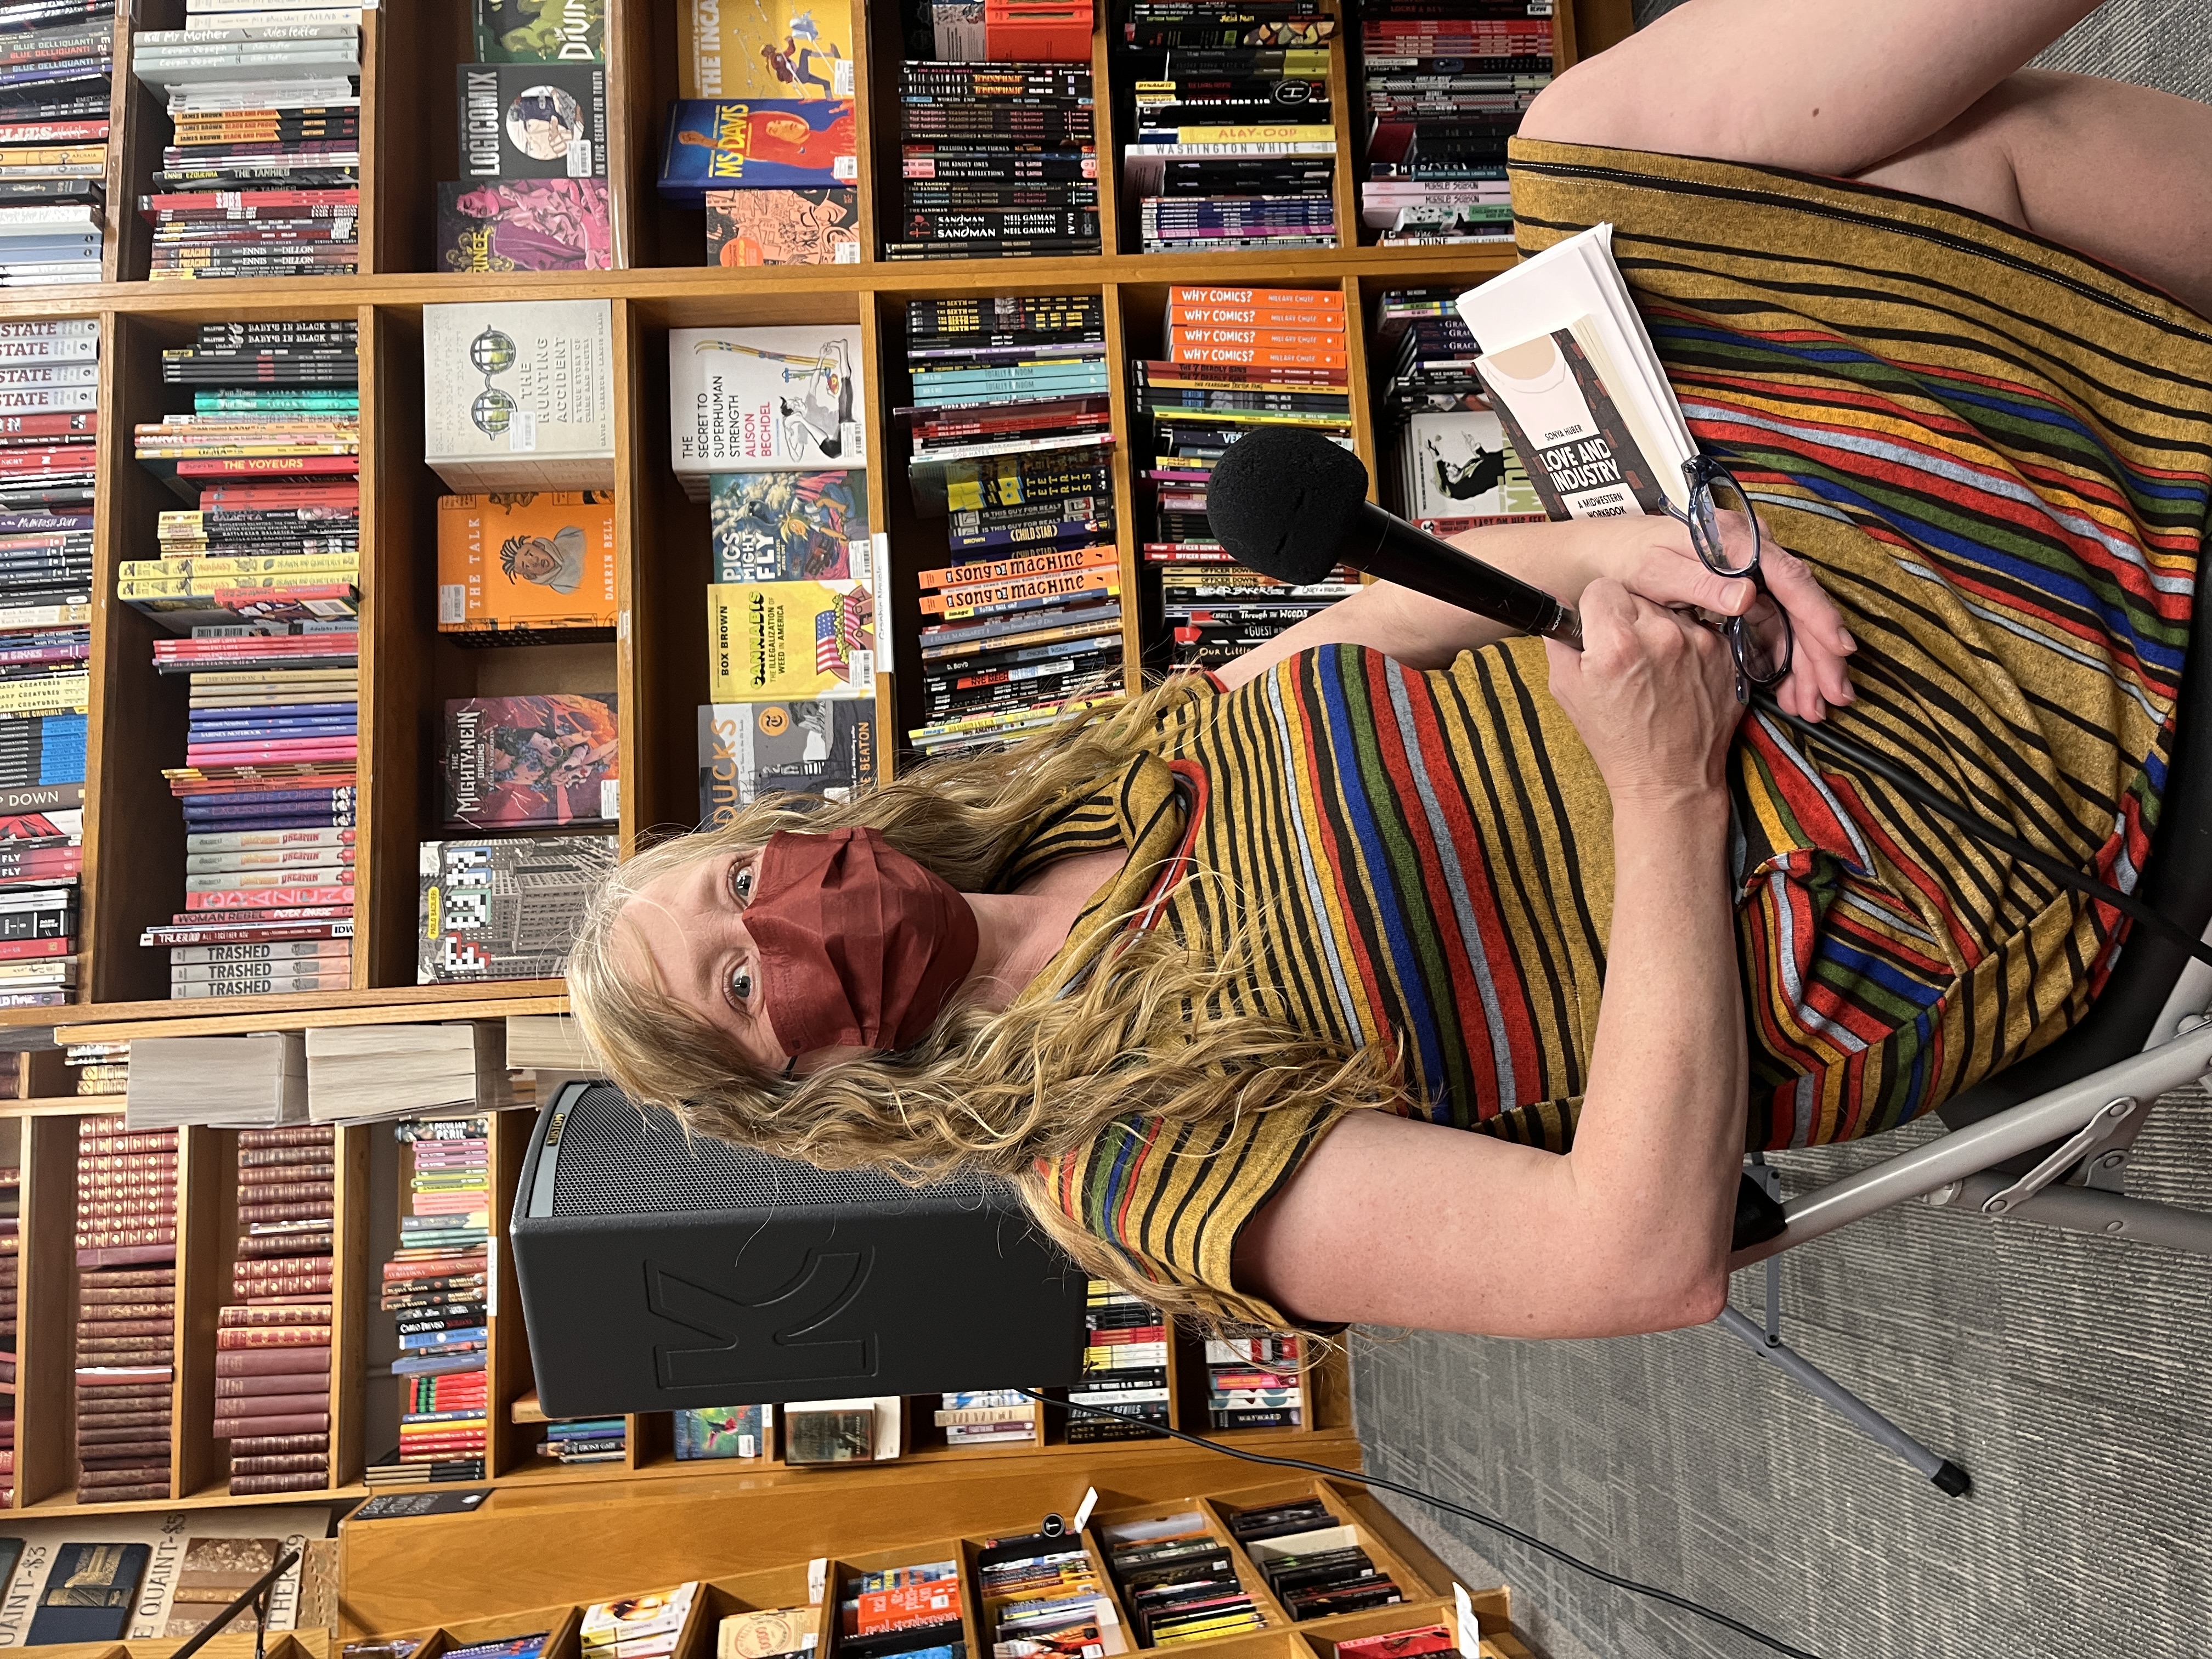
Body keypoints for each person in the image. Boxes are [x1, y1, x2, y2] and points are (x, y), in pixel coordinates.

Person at [568, 0, 2210, 1339]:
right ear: (791, 1096)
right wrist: (1662, 785)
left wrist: (1662, 548)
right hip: (1881, 866)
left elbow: (1414, 608)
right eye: (737, 980)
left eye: (738, 881)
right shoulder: (1119, 1169)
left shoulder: (1086, 786)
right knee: (1910, 172)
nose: (787, 918)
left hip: (1763, 654)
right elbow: (1630, 1258)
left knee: (1640, 161)